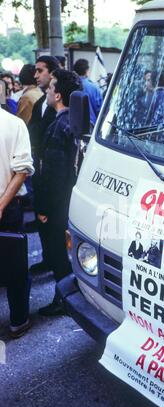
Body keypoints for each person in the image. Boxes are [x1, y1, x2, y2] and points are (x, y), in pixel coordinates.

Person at [35, 69, 82, 316]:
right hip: (68, 201)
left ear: (59, 95)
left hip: (56, 205)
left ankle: (64, 300)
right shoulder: (75, 122)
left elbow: (52, 175)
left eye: (51, 87)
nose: (47, 91)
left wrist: (43, 209)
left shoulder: (58, 127)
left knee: (58, 257)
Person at [0, 106, 34, 338]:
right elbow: (21, 171)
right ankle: (18, 320)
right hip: (9, 207)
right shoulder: (14, 124)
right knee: (15, 267)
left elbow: (22, 170)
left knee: (15, 265)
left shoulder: (13, 123)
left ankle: (18, 320)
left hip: (7, 206)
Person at [27, 55, 59, 273]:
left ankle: (59, 269)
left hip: (54, 174)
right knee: (42, 220)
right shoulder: (40, 102)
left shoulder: (64, 103)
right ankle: (49, 259)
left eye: (40, 70)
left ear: (52, 72)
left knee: (54, 224)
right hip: (39, 170)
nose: (36, 75)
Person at [73, 58, 103, 127]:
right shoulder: (94, 87)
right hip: (91, 126)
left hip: (73, 126)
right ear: (86, 70)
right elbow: (100, 110)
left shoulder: (71, 85)